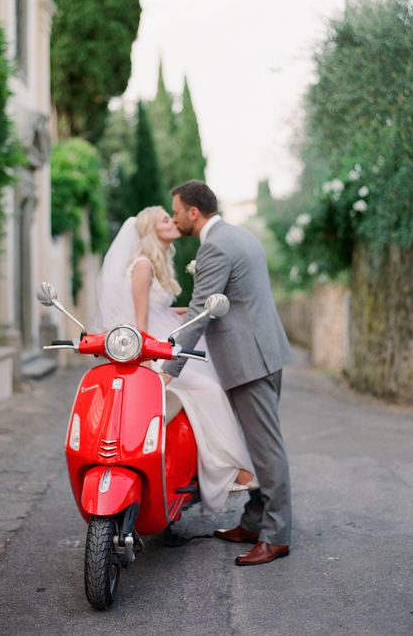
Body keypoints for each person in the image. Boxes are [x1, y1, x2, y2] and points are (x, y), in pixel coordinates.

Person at [161, 180, 293, 566]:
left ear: (193, 212)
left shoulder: (215, 246)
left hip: (248, 360)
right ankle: (253, 522)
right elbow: (233, 299)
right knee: (256, 446)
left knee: (266, 451)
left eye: (177, 210)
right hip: (264, 350)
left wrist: (169, 370)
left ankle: (276, 535)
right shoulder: (240, 235)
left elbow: (203, 312)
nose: (175, 217)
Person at [95, 205, 256, 513]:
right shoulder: (142, 265)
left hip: (166, 341)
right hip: (152, 352)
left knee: (210, 382)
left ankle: (211, 467)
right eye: (165, 219)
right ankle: (233, 469)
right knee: (207, 388)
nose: (173, 222)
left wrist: (189, 312)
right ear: (152, 230)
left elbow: (156, 311)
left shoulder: (153, 264)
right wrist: (149, 364)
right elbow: (140, 324)